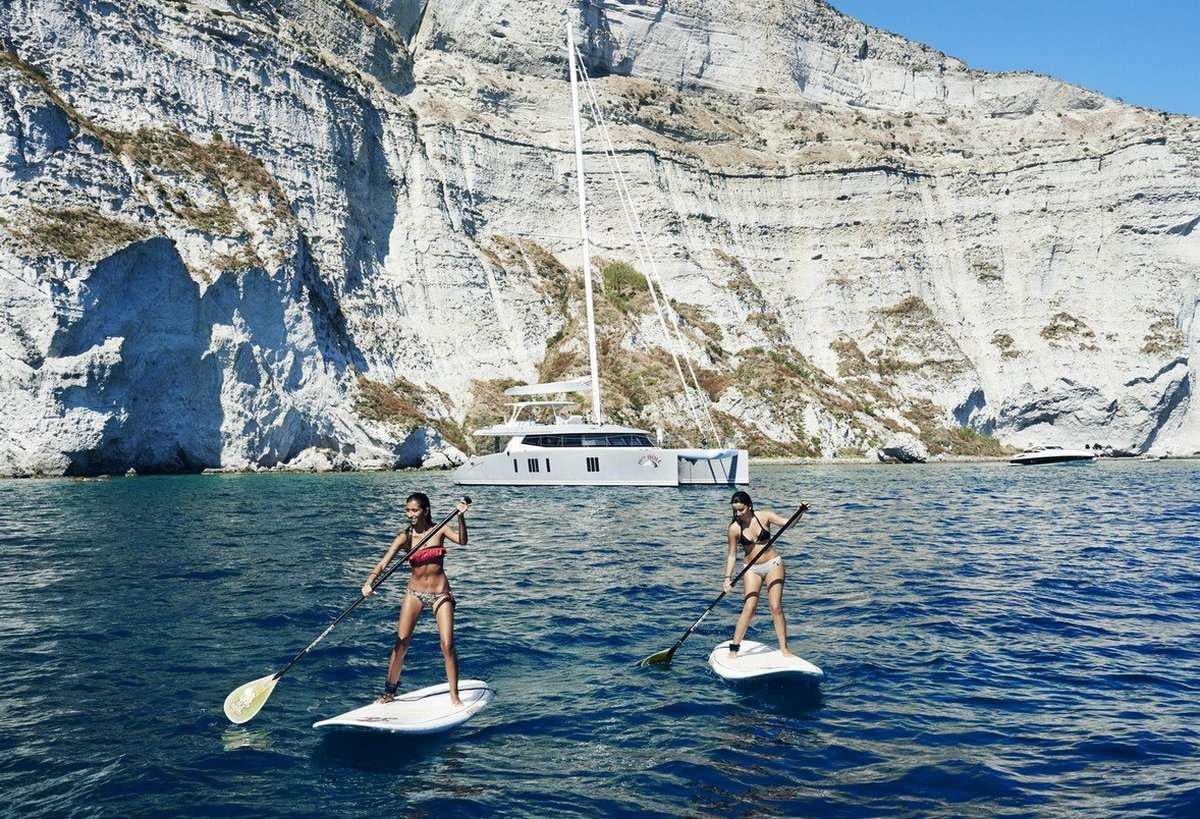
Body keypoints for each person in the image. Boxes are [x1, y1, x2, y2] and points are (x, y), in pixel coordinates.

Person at [361, 494, 470, 704]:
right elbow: (383, 564)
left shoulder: (440, 529)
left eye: (414, 510)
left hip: (440, 594)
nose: (410, 514)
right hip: (415, 594)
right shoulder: (405, 537)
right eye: (407, 510)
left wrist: (461, 517)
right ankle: (389, 693)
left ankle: (454, 696)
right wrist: (369, 582)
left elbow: (463, 541)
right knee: (401, 643)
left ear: (425, 510)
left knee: (447, 644)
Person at [722, 491, 804, 659]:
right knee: (749, 608)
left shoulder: (764, 516)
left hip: (773, 565)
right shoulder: (734, 528)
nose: (738, 514)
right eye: (735, 511)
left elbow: (788, 524)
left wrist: (800, 511)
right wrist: (727, 578)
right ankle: (734, 648)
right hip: (751, 569)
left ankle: (784, 648)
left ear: (749, 506)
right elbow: (731, 555)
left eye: (741, 510)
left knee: (775, 607)